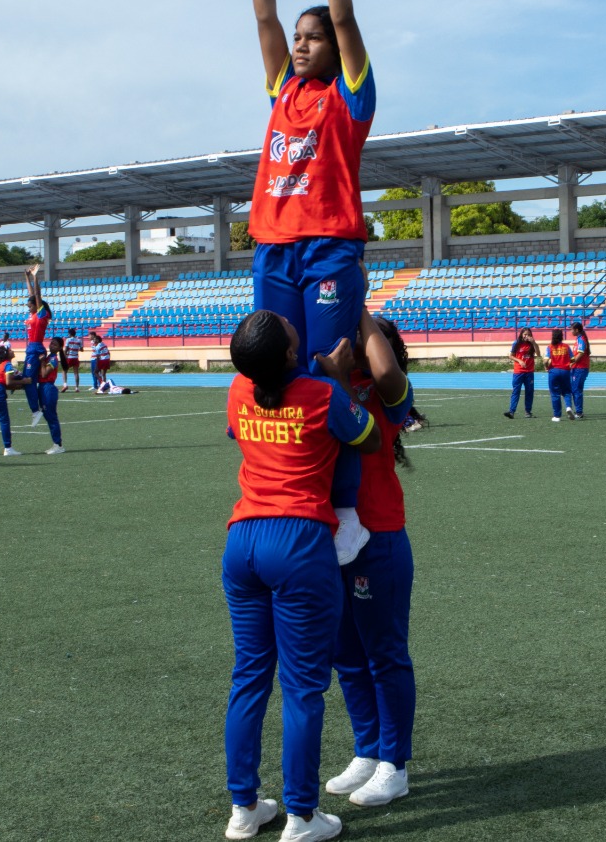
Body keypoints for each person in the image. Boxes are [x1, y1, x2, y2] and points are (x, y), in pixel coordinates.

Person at [221, 310, 381, 842]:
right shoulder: (320, 395)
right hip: (298, 541)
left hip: (242, 540)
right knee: (303, 689)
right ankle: (302, 816)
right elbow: (370, 438)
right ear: (291, 356)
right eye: (290, 334)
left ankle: (244, 810)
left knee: (249, 678)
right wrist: (340, 382)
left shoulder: (238, 390)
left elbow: (241, 427)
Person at [242, 0, 375, 381]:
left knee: (326, 369)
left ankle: (340, 458)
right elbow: (263, 17)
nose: (299, 45)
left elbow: (344, 17)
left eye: (312, 38)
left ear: (334, 49)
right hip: (273, 249)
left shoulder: (350, 96)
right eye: (297, 37)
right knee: (275, 369)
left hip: (329, 248)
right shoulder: (283, 89)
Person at [327, 313, 416, 810]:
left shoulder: (388, 392)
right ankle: (367, 750)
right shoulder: (324, 386)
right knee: (346, 654)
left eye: (361, 338)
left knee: (384, 655)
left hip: (378, 536)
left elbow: (384, 373)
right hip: (328, 538)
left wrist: (358, 307)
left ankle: (394, 764)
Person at [21, 265, 51, 426]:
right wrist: (26, 277)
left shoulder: (41, 315)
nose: (28, 307)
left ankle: (36, 410)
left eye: (30, 306)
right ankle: (37, 408)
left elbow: (37, 295)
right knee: (30, 382)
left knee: (28, 381)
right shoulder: (34, 314)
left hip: (35, 347)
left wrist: (35, 277)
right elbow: (31, 295)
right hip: (31, 348)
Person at [503, 328, 538, 419]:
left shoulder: (532, 344)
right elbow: (510, 355)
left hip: (529, 372)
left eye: (528, 334)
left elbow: (538, 354)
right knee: (516, 391)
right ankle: (512, 411)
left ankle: (528, 412)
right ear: (521, 334)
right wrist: (519, 360)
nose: (526, 336)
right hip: (518, 372)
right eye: (525, 334)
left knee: (529, 392)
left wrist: (534, 343)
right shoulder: (517, 343)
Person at [39, 336, 66, 455]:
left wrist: (41, 362)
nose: (51, 346)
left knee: (51, 416)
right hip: (43, 387)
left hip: (48, 388)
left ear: (60, 348)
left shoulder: (53, 359)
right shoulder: (49, 357)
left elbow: (44, 374)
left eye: (55, 345)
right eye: (51, 343)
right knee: (48, 416)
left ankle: (58, 444)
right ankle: (56, 443)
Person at [546, 328, 574, 422]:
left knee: (555, 394)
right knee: (566, 391)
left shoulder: (550, 347)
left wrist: (546, 366)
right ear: (562, 336)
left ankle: (557, 416)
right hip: (565, 371)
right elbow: (572, 358)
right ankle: (568, 407)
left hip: (554, 371)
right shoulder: (566, 346)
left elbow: (546, 359)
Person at [568, 320, 591, 420]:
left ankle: (579, 412)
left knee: (576, 389)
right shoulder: (578, 339)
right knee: (576, 389)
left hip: (580, 368)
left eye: (572, 329)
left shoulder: (581, 339)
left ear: (577, 330)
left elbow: (580, 354)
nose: (570, 331)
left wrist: (572, 362)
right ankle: (578, 410)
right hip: (577, 368)